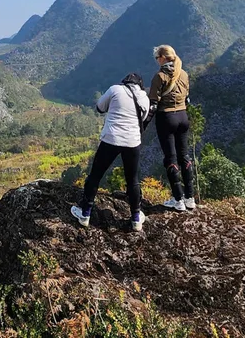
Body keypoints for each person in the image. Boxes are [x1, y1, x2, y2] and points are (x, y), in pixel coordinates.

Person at [71, 73, 151, 231]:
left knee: (95, 175)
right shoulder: (144, 97)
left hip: (111, 139)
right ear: (139, 85)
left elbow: (100, 107)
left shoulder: (115, 90)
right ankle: (136, 218)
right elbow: (144, 118)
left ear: (125, 82)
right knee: (132, 180)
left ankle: (85, 213)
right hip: (132, 142)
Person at [149, 44, 195, 211]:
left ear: (162, 58)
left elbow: (153, 102)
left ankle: (178, 200)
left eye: (157, 58)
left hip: (166, 117)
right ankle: (190, 198)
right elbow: (187, 96)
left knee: (171, 158)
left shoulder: (160, 76)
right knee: (185, 156)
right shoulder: (183, 73)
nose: (156, 61)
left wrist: (143, 124)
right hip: (183, 116)